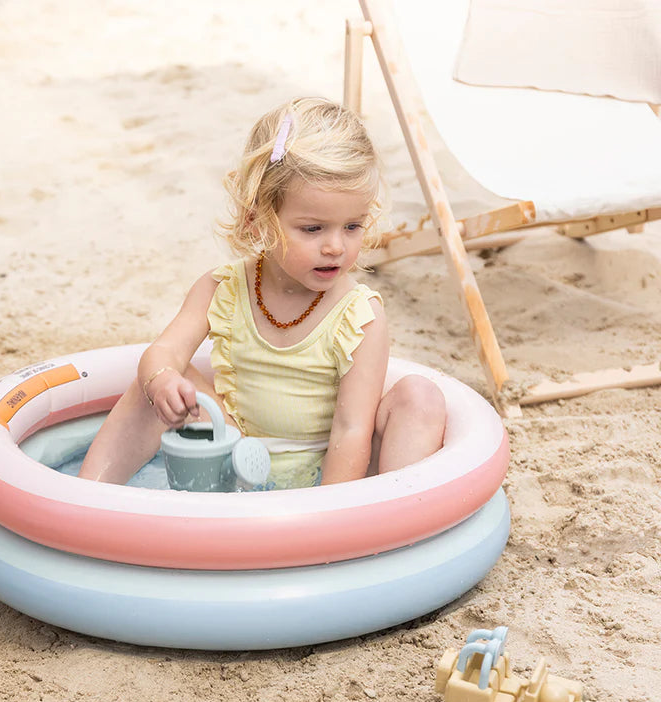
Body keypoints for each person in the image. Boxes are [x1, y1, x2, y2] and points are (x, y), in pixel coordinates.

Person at [79, 97, 446, 489]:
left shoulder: (360, 315)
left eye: (353, 226)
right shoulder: (221, 288)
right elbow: (163, 352)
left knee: (419, 398)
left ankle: (394, 515)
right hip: (240, 459)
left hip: (332, 474)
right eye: (313, 229)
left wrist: (326, 515)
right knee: (158, 379)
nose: (336, 247)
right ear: (258, 221)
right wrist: (162, 380)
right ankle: (87, 494)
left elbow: (352, 429)